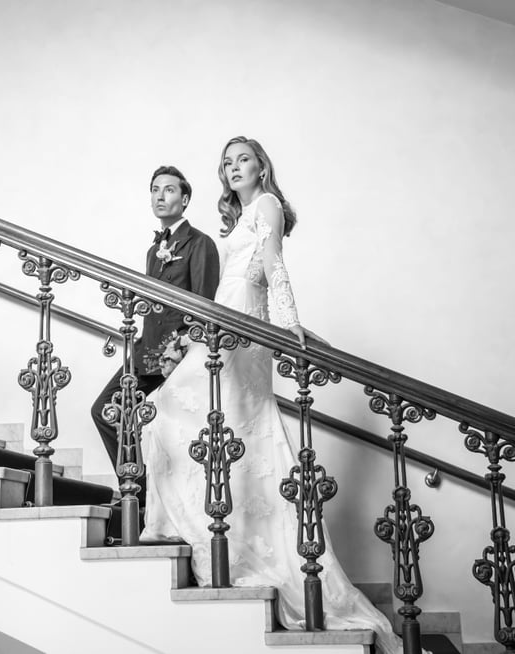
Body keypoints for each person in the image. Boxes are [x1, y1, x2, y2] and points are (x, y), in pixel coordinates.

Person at [139, 138, 405, 654]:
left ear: (262, 166)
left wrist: (289, 328)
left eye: (243, 159)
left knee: (183, 412)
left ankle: (214, 532)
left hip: (242, 326)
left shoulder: (267, 204)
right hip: (230, 317)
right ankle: (218, 533)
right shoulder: (244, 214)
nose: (233, 167)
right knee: (227, 427)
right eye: (227, 162)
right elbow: (253, 269)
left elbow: (273, 263)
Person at [91, 165, 220, 504]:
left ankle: (162, 500)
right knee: (106, 409)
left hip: (180, 356)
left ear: (185, 197)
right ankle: (138, 490)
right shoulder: (154, 250)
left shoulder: (200, 244)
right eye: (155, 190)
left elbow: (204, 305)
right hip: (147, 352)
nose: (161, 196)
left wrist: (184, 349)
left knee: (173, 428)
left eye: (169, 189)